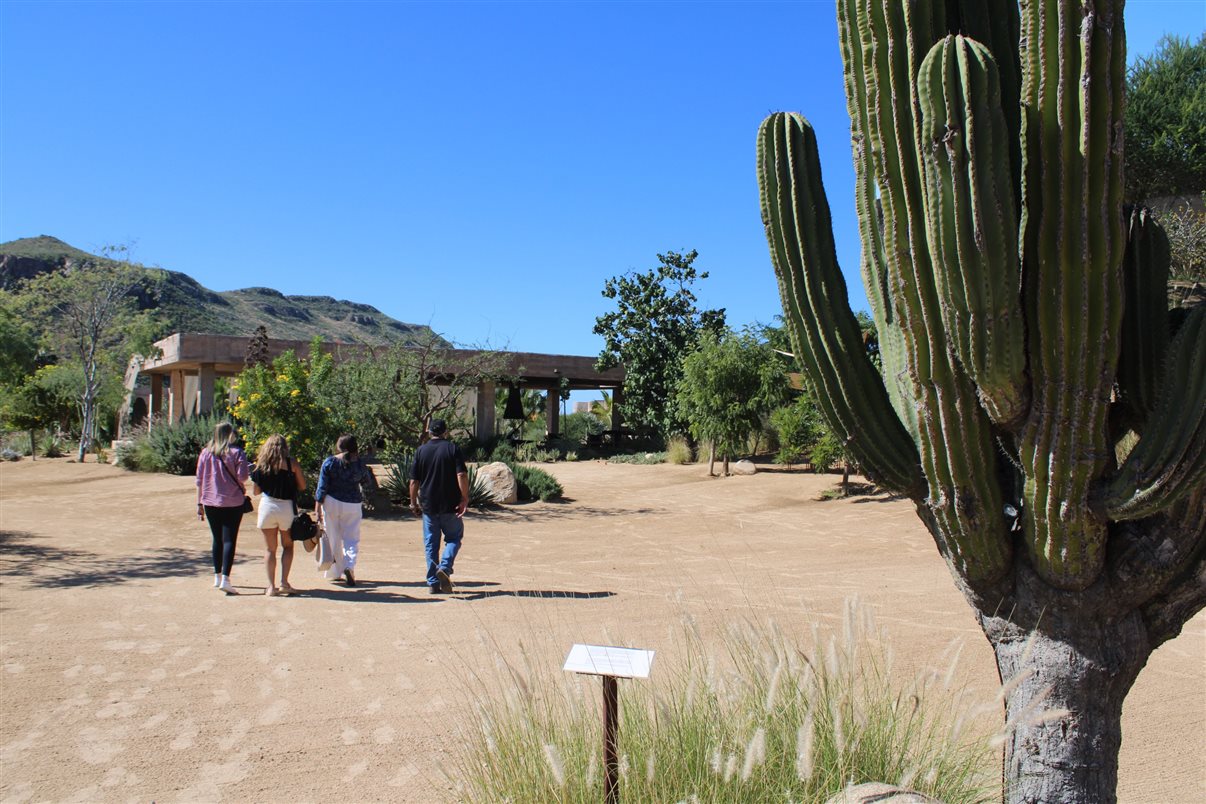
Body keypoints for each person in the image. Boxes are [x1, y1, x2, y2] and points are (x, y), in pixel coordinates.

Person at [409, 418, 469, 595]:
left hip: (429, 505)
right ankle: (445, 567)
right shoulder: (452, 448)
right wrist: (464, 498)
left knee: (431, 544)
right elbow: (462, 475)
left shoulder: (421, 451)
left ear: (429, 432)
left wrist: (413, 502)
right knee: (454, 538)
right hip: (450, 505)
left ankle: (433, 583)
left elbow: (414, 481)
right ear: (445, 432)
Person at [195, 421, 251, 595]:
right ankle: (226, 578)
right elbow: (242, 477)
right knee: (229, 540)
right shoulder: (237, 453)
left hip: (210, 501)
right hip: (233, 501)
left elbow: (199, 480)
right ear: (229, 434)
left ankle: (217, 576)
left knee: (216, 539)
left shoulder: (205, 453)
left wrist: (199, 503)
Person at [250, 434, 307, 597]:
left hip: (267, 506)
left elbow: (255, 491)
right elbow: (302, 486)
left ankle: (270, 587)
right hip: (286, 507)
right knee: (288, 546)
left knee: (270, 549)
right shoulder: (291, 464)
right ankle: (284, 582)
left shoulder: (261, 465)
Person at [315, 434, 370, 587]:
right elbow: (366, 482)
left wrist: (318, 505)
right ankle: (349, 566)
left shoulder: (330, 462)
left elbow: (322, 486)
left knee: (332, 536)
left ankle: (334, 570)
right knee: (351, 539)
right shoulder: (359, 463)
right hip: (352, 503)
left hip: (331, 501)